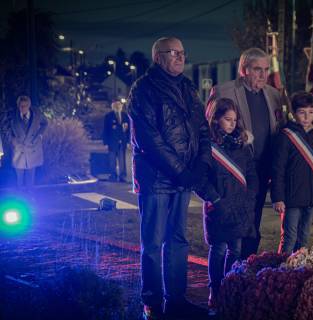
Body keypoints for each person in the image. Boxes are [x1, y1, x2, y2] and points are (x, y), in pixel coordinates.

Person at [126, 37, 211, 320]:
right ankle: (152, 304)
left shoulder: (187, 87)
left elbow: (201, 129)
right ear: (158, 57)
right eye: (174, 53)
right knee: (152, 243)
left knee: (178, 240)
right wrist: (182, 171)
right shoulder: (143, 89)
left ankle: (176, 299)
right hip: (156, 179)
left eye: (183, 53)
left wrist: (200, 165)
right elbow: (150, 140)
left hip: (183, 179)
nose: (180, 58)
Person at [206, 47, 283, 259]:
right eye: (257, 69)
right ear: (244, 69)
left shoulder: (274, 95)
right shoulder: (223, 91)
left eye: (266, 69)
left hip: (262, 169)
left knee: (253, 220)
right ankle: (226, 275)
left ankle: (246, 266)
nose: (263, 75)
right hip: (232, 171)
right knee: (229, 227)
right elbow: (209, 129)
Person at [196, 98, 257, 315]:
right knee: (219, 248)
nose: (232, 124)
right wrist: (215, 199)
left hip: (240, 207)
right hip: (219, 208)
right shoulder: (208, 146)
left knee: (236, 249)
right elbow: (200, 178)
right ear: (216, 119)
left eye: (234, 120)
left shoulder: (242, 145)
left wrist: (250, 198)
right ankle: (215, 290)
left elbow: (252, 174)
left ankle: (228, 290)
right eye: (227, 120)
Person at [271, 91, 313, 254]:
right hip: (291, 197)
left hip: (311, 197)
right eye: (302, 112)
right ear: (294, 113)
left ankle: (297, 272)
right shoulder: (286, 136)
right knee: (289, 237)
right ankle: (282, 271)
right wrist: (278, 198)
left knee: (304, 237)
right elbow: (278, 169)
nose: (306, 117)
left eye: (311, 112)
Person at [10, 95, 48, 189]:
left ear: (29, 105)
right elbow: (6, 129)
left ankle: (30, 198)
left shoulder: (37, 113)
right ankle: (20, 199)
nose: (22, 108)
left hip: (32, 149)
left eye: (24, 106)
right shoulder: (13, 115)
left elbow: (45, 123)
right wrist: (12, 140)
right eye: (20, 106)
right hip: (19, 150)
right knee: (19, 181)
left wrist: (39, 135)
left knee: (30, 180)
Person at [102, 100, 130, 182]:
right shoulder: (108, 116)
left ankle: (122, 176)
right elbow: (106, 130)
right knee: (112, 160)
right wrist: (106, 142)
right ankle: (113, 175)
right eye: (116, 105)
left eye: (119, 105)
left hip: (122, 141)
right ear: (113, 106)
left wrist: (128, 141)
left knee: (122, 160)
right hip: (112, 142)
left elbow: (128, 130)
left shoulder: (125, 116)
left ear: (121, 106)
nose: (118, 106)